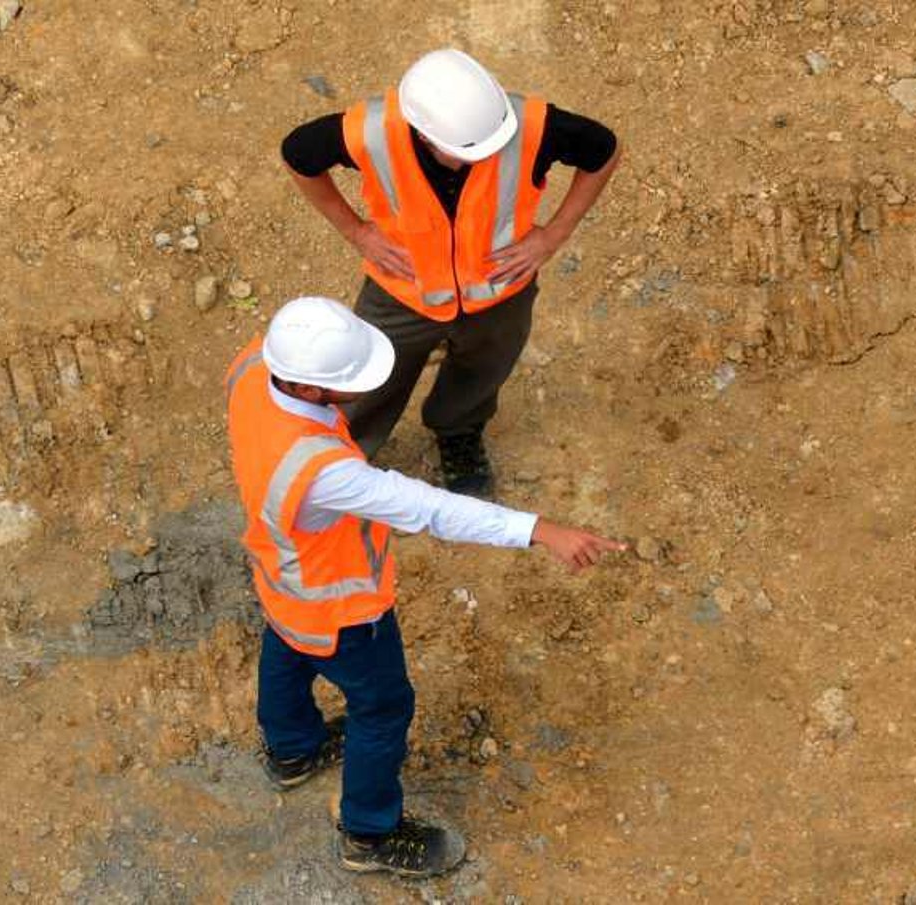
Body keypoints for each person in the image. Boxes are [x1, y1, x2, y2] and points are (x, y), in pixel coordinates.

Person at [225, 296, 625, 878]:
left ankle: (291, 751)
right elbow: (426, 508)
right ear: (310, 389)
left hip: (280, 575)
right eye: (349, 382)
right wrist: (540, 530)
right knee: (384, 707)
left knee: (285, 648)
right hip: (340, 609)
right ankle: (368, 834)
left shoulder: (254, 364)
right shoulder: (325, 474)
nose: (361, 390)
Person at [281, 48, 621, 498]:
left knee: (483, 371)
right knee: (365, 380)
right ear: (423, 133)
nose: (488, 155)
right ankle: (346, 457)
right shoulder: (371, 133)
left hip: (502, 292)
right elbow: (297, 157)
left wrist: (553, 235)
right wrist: (358, 233)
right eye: (468, 151)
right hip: (401, 292)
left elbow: (604, 151)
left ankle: (458, 431)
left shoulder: (531, 125)